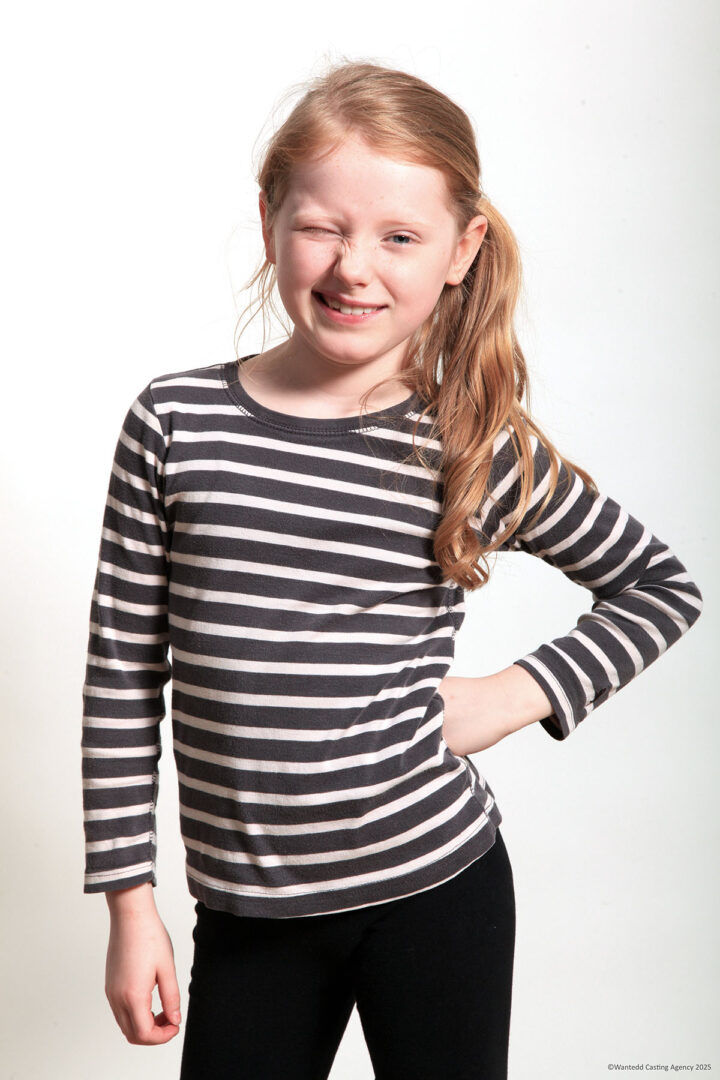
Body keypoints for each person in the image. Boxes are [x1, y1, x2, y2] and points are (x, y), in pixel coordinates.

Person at [81, 60, 703, 1080]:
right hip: (249, 914)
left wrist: (514, 693)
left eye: (399, 237)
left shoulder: (469, 444)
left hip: (437, 889)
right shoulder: (175, 422)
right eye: (322, 227)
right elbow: (120, 677)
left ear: (463, 251)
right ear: (270, 219)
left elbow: (661, 587)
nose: (353, 267)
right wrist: (129, 903)